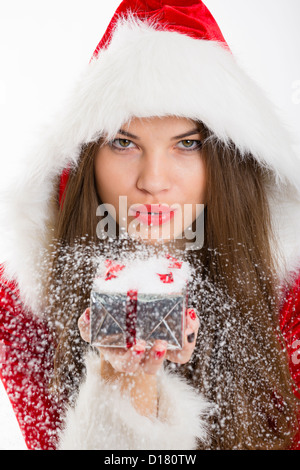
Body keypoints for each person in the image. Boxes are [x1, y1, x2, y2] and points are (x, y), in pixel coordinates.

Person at [0, 0, 299, 451]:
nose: (153, 182)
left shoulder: (289, 302)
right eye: (123, 142)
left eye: (186, 145)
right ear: (85, 159)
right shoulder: (24, 311)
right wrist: (126, 389)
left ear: (226, 158)